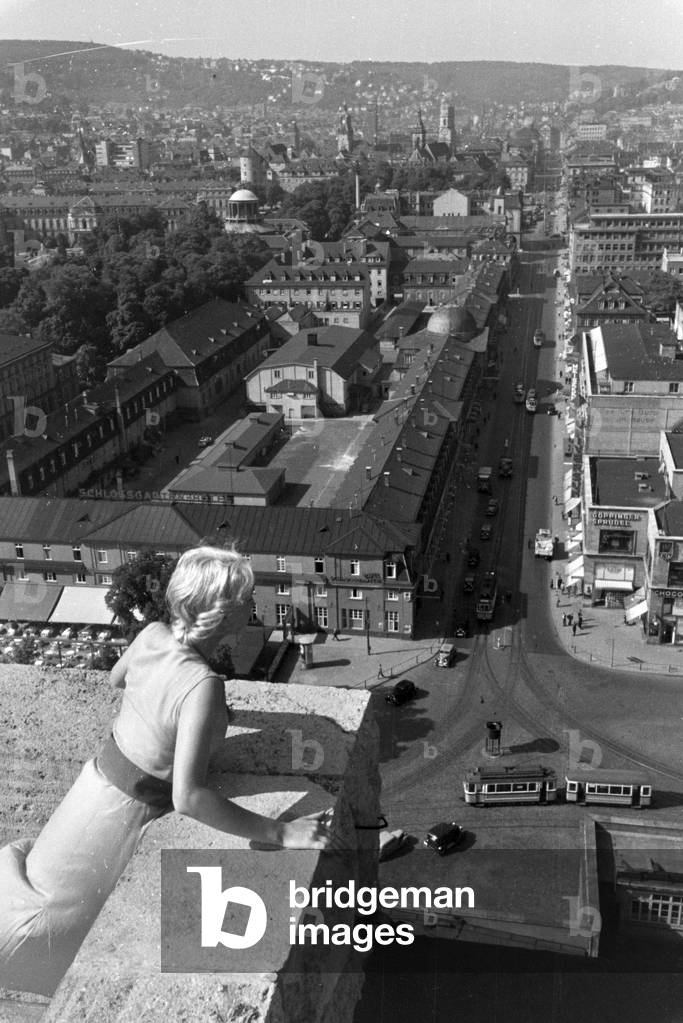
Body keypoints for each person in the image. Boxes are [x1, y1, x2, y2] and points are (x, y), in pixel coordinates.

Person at [0, 545, 336, 996]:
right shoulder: (203, 685)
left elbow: (117, 678)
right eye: (246, 599)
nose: (253, 606)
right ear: (223, 615)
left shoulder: (153, 634)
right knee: (53, 926)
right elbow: (189, 798)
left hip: (94, 787)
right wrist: (279, 833)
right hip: (120, 819)